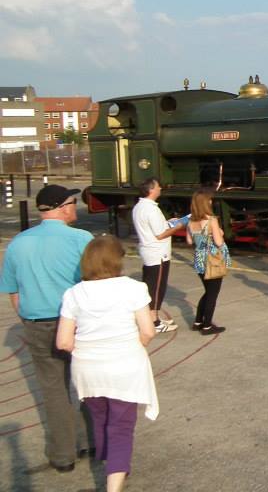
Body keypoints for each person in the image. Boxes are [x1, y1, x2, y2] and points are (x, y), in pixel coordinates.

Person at [0, 184, 93, 473]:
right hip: (77, 323)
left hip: (37, 323)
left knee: (54, 390)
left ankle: (63, 454)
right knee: (87, 383)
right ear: (63, 207)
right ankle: (90, 440)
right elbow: (95, 284)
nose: (76, 206)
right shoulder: (82, 239)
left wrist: (29, 318)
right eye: (73, 202)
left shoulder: (18, 243)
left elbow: (14, 292)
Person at [56, 235, 158, 492]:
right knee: (121, 426)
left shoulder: (73, 293)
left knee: (100, 419)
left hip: (88, 369)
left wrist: (88, 350)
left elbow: (63, 342)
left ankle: (114, 464)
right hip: (124, 364)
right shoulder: (134, 288)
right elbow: (148, 331)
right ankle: (114, 480)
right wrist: (130, 347)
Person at [131, 178, 187, 333]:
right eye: (157, 187)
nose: (160, 188)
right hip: (158, 254)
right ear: (151, 190)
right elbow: (161, 234)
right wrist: (180, 225)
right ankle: (154, 322)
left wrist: (168, 222)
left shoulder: (139, 206)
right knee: (157, 289)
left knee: (151, 286)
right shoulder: (151, 209)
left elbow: (156, 228)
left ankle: (151, 318)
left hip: (148, 251)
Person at [185, 189, 231, 335]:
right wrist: (221, 233)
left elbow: (189, 241)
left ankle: (198, 321)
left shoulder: (190, 221)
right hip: (212, 260)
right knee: (212, 294)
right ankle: (207, 325)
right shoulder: (211, 220)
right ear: (205, 203)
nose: (211, 201)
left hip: (199, 259)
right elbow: (219, 242)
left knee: (208, 291)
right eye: (209, 200)